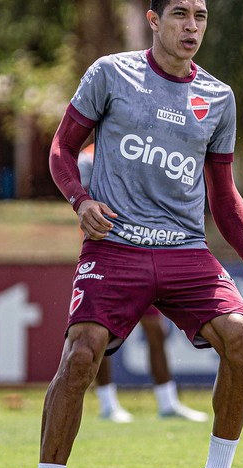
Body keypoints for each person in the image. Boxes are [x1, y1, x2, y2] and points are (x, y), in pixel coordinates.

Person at [21, 0, 243, 468]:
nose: (193, 27)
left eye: (201, 17)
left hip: (186, 251)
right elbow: (62, 147)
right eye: (181, 15)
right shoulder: (110, 74)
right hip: (115, 246)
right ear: (154, 20)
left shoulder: (217, 97)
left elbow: (224, 191)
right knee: (81, 356)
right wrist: (80, 199)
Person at [78, 142, 209, 424]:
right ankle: (107, 403)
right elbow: (86, 200)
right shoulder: (89, 157)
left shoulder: (140, 146)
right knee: (98, 334)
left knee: (155, 329)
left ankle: (167, 401)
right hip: (109, 254)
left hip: (147, 250)